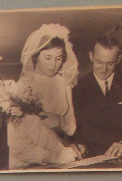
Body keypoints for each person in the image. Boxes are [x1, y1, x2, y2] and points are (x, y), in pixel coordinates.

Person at [8, 25, 80, 170]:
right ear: (36, 56)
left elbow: (71, 128)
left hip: (61, 156)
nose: (54, 65)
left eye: (59, 58)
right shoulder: (23, 86)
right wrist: (52, 156)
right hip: (28, 161)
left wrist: (59, 121)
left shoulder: (63, 83)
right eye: (48, 58)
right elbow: (17, 143)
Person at [73, 34, 122, 161]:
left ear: (118, 59)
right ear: (91, 56)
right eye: (99, 62)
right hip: (92, 157)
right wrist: (77, 145)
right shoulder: (77, 87)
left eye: (110, 64)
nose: (104, 69)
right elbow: (76, 127)